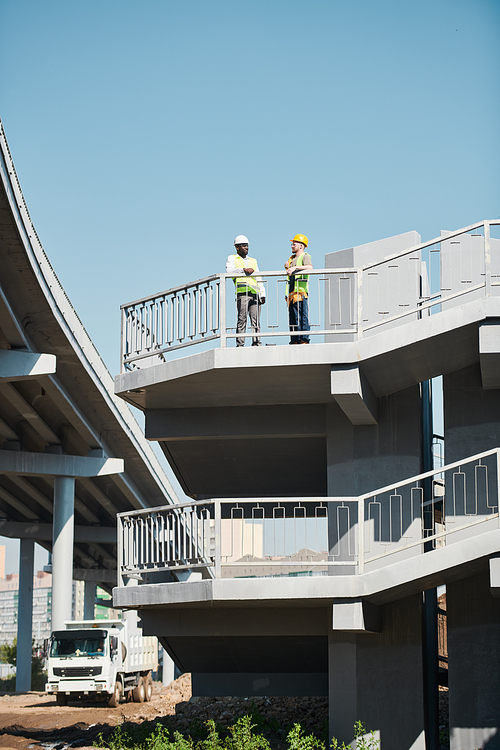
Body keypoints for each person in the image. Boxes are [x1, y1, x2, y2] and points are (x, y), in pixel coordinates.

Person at [226, 235, 266, 346]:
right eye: (243, 246)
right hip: (242, 293)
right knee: (242, 319)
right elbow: (229, 271)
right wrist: (243, 270)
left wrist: (262, 293)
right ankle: (240, 344)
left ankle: (256, 342)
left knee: (256, 321)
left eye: (247, 245)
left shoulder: (253, 261)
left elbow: (259, 277)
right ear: (237, 247)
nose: (246, 248)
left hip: (254, 294)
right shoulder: (232, 258)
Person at [285, 234, 313, 344]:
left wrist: (295, 267)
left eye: (294, 244)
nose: (292, 246)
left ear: (301, 246)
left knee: (302, 316)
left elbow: (309, 267)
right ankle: (295, 339)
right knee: (293, 317)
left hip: (300, 292)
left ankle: (304, 339)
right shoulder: (292, 259)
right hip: (292, 293)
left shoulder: (305, 256)